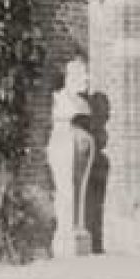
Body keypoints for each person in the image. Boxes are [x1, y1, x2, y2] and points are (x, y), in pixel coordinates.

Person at [46, 57, 95, 257]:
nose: (87, 79)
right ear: (71, 76)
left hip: (79, 139)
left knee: (80, 186)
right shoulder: (60, 99)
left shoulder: (83, 103)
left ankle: (79, 226)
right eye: (83, 74)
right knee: (67, 187)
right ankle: (67, 230)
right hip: (64, 141)